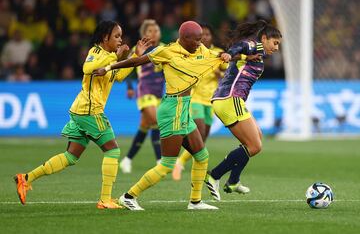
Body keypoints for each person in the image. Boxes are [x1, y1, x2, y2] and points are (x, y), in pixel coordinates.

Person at [93, 21, 231, 210]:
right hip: (172, 110)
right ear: (184, 39)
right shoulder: (166, 51)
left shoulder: (200, 50)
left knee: (202, 156)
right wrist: (109, 68)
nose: (200, 43)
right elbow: (136, 61)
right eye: (197, 40)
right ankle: (128, 196)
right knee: (167, 164)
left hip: (184, 109)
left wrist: (223, 55)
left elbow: (213, 55)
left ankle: (195, 202)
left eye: (201, 40)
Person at [14, 20, 151, 209]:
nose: (120, 40)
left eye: (121, 36)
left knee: (71, 157)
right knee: (113, 150)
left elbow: (117, 75)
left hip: (82, 111)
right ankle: (105, 200)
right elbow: (87, 69)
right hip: (90, 111)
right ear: (105, 38)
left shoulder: (108, 56)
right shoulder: (95, 53)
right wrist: (114, 57)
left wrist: (135, 56)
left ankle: (26, 178)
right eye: (117, 36)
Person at [205, 20, 282, 201]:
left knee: (257, 138)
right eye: (275, 42)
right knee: (254, 146)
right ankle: (214, 175)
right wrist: (229, 53)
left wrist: (237, 56)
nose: (277, 48)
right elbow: (240, 46)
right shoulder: (254, 46)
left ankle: (233, 180)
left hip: (229, 100)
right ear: (264, 38)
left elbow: (241, 53)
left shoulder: (258, 54)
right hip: (230, 99)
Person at [172, 23, 228, 181]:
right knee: (200, 132)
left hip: (211, 101)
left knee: (202, 139)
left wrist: (219, 73)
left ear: (212, 37)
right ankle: (183, 163)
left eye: (208, 34)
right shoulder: (193, 53)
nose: (204, 37)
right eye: (201, 35)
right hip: (195, 99)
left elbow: (227, 74)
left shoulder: (218, 54)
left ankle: (181, 161)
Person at [120, 19, 165, 173]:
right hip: (145, 91)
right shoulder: (138, 48)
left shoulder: (164, 48)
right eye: (150, 31)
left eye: (156, 30)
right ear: (144, 34)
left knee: (145, 126)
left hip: (160, 94)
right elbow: (126, 67)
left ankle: (127, 160)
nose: (154, 33)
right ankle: (161, 160)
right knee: (157, 122)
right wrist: (130, 87)